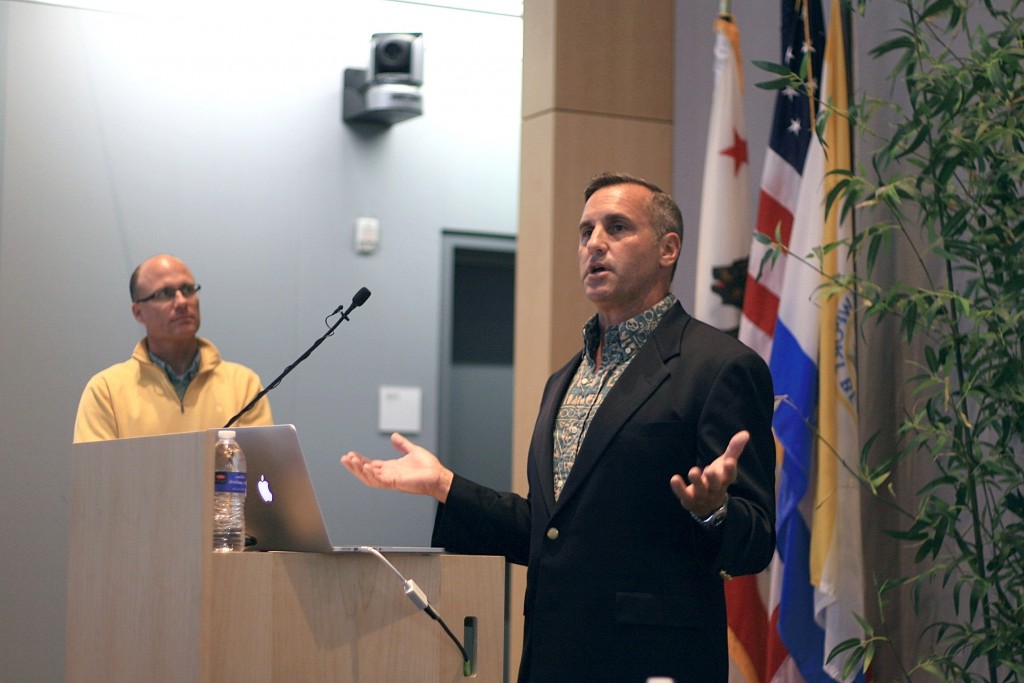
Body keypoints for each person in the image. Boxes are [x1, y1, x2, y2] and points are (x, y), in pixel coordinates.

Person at [341, 173, 776, 682]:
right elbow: (553, 533)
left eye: (617, 227)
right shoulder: (564, 380)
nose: (595, 243)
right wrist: (445, 485)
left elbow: (756, 540)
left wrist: (713, 512)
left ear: (668, 249)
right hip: (552, 658)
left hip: (651, 663)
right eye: (585, 231)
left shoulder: (719, 367)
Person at [73, 254, 273, 442]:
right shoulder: (106, 391)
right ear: (138, 312)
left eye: (187, 290)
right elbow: (96, 476)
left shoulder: (243, 385)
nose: (182, 302)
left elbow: (261, 472)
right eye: (165, 293)